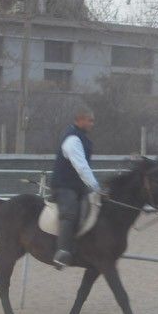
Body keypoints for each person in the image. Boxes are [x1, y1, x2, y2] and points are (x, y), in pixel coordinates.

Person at [50, 106, 101, 269]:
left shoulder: (82, 138)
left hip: (77, 186)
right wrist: (96, 187)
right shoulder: (73, 140)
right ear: (80, 120)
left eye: (92, 120)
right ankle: (62, 253)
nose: (92, 124)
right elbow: (81, 167)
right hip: (64, 186)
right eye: (89, 120)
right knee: (70, 212)